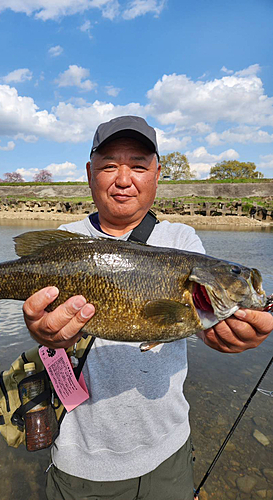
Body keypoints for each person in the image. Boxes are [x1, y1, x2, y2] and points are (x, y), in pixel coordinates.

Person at [23, 116, 273, 500]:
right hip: (81, 459)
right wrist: (44, 333)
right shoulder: (67, 241)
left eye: (138, 165)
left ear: (158, 174)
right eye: (109, 166)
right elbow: (48, 336)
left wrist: (232, 335)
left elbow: (206, 328)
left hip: (167, 452)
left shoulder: (181, 240)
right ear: (90, 174)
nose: (124, 179)